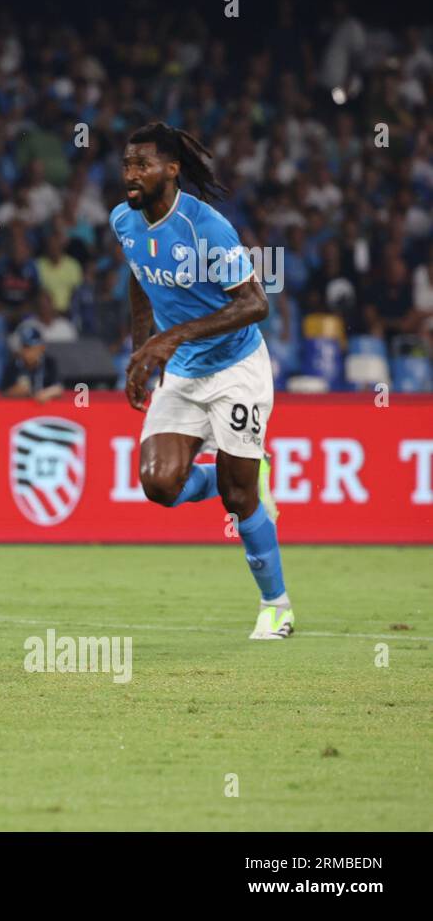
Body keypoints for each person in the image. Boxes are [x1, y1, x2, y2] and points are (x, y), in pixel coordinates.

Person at [112, 122, 291, 641]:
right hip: (182, 371)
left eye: (142, 164)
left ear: (171, 170)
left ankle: (276, 606)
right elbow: (139, 276)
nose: (131, 173)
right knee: (158, 484)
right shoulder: (124, 220)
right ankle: (244, 473)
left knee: (240, 502)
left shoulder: (205, 228)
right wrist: (141, 350)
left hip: (236, 369)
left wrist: (171, 339)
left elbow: (255, 303)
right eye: (127, 163)